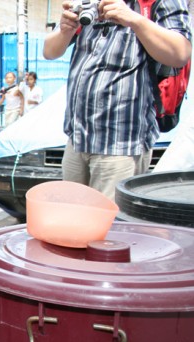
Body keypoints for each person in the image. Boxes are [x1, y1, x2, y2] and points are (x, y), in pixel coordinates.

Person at [44, 0, 191, 199]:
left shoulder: (158, 2)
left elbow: (180, 53)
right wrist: (64, 30)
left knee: (109, 225)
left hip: (121, 144)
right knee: (73, 220)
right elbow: (50, 52)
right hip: (78, 139)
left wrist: (134, 20)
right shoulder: (91, 3)